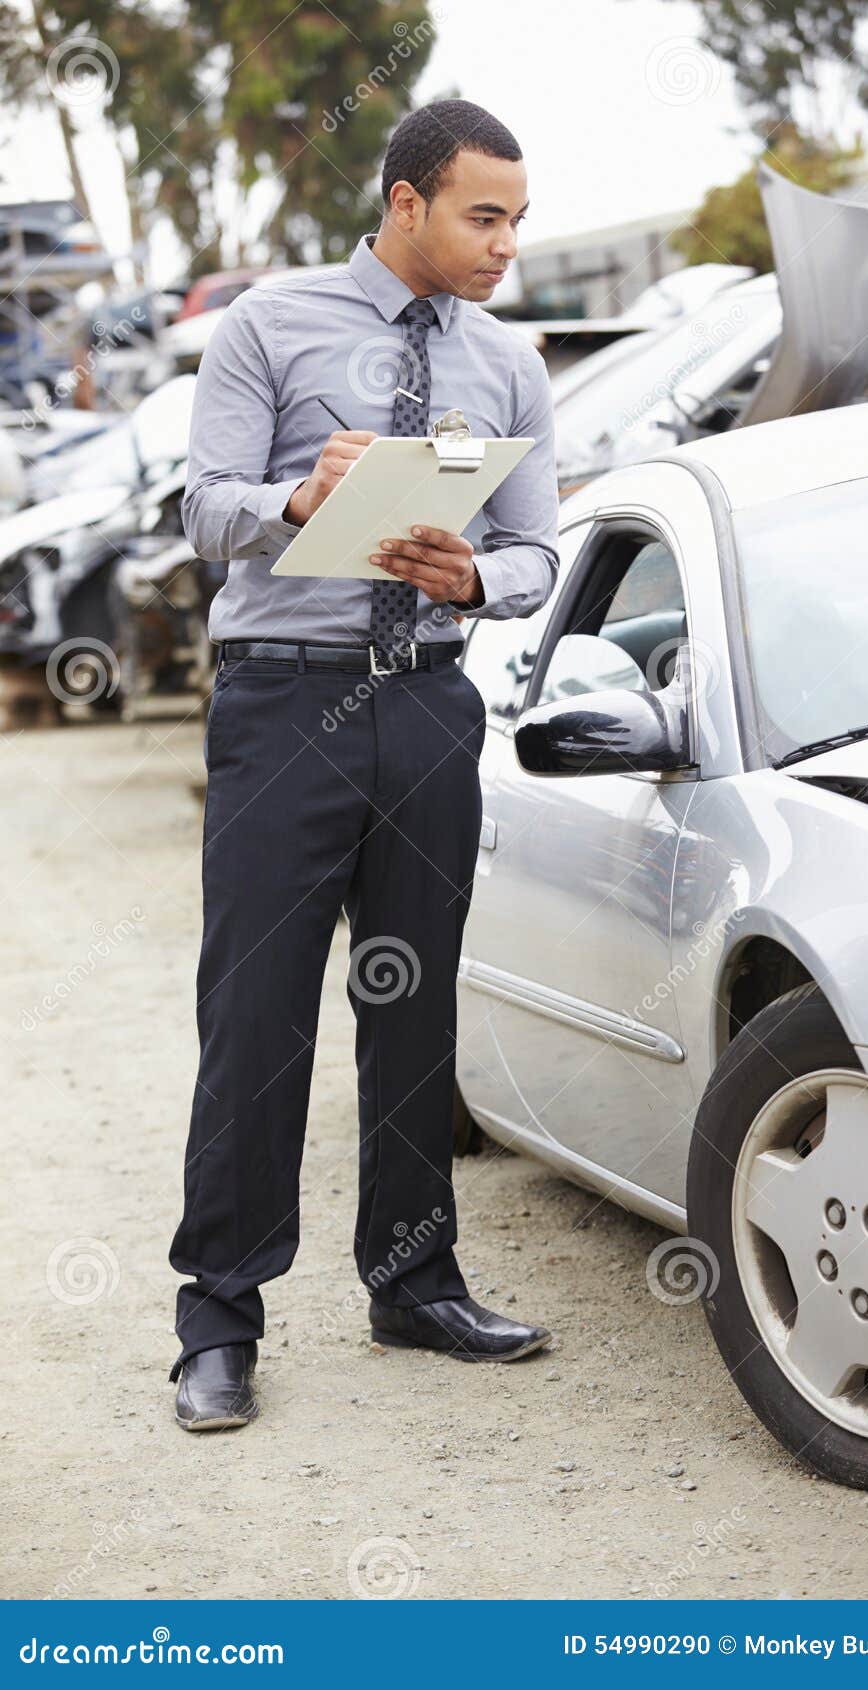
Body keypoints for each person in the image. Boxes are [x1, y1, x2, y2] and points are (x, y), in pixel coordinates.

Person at [167, 99, 559, 1431]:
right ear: (405, 204)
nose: (505, 242)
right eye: (482, 215)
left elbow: (537, 553)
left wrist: (478, 572)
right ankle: (218, 1320)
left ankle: (415, 1281)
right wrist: (295, 500)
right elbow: (202, 507)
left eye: (516, 217)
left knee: (413, 1011)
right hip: (285, 708)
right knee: (258, 1015)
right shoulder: (269, 326)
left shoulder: (510, 364)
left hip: (429, 708)